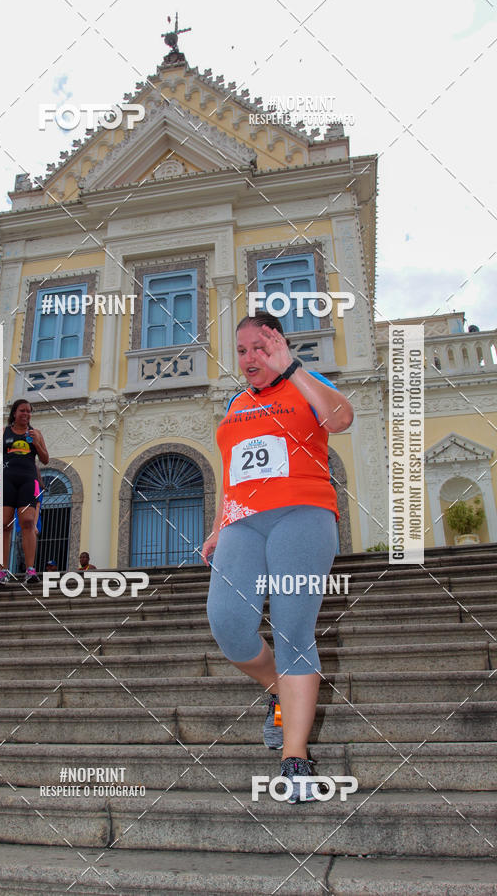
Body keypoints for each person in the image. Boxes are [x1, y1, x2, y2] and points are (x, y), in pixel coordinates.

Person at [202, 312, 353, 802]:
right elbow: (235, 474)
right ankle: (277, 691)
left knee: (292, 627)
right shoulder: (234, 403)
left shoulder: (305, 384)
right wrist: (218, 526)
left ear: (279, 347)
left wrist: (294, 370)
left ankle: (295, 757)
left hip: (303, 514)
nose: (250, 358)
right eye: (242, 350)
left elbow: (342, 419)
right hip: (243, 520)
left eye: (260, 348)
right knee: (228, 623)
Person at [0, 400, 49, 586]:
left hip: (28, 479)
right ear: (14, 413)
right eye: (22, 410)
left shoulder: (36, 433)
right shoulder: (3, 432)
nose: (26, 414)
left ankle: (30, 569)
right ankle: (2, 571)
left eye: (29, 411)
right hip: (7, 480)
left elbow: (45, 459)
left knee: (27, 521)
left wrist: (35, 442)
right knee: (4, 524)